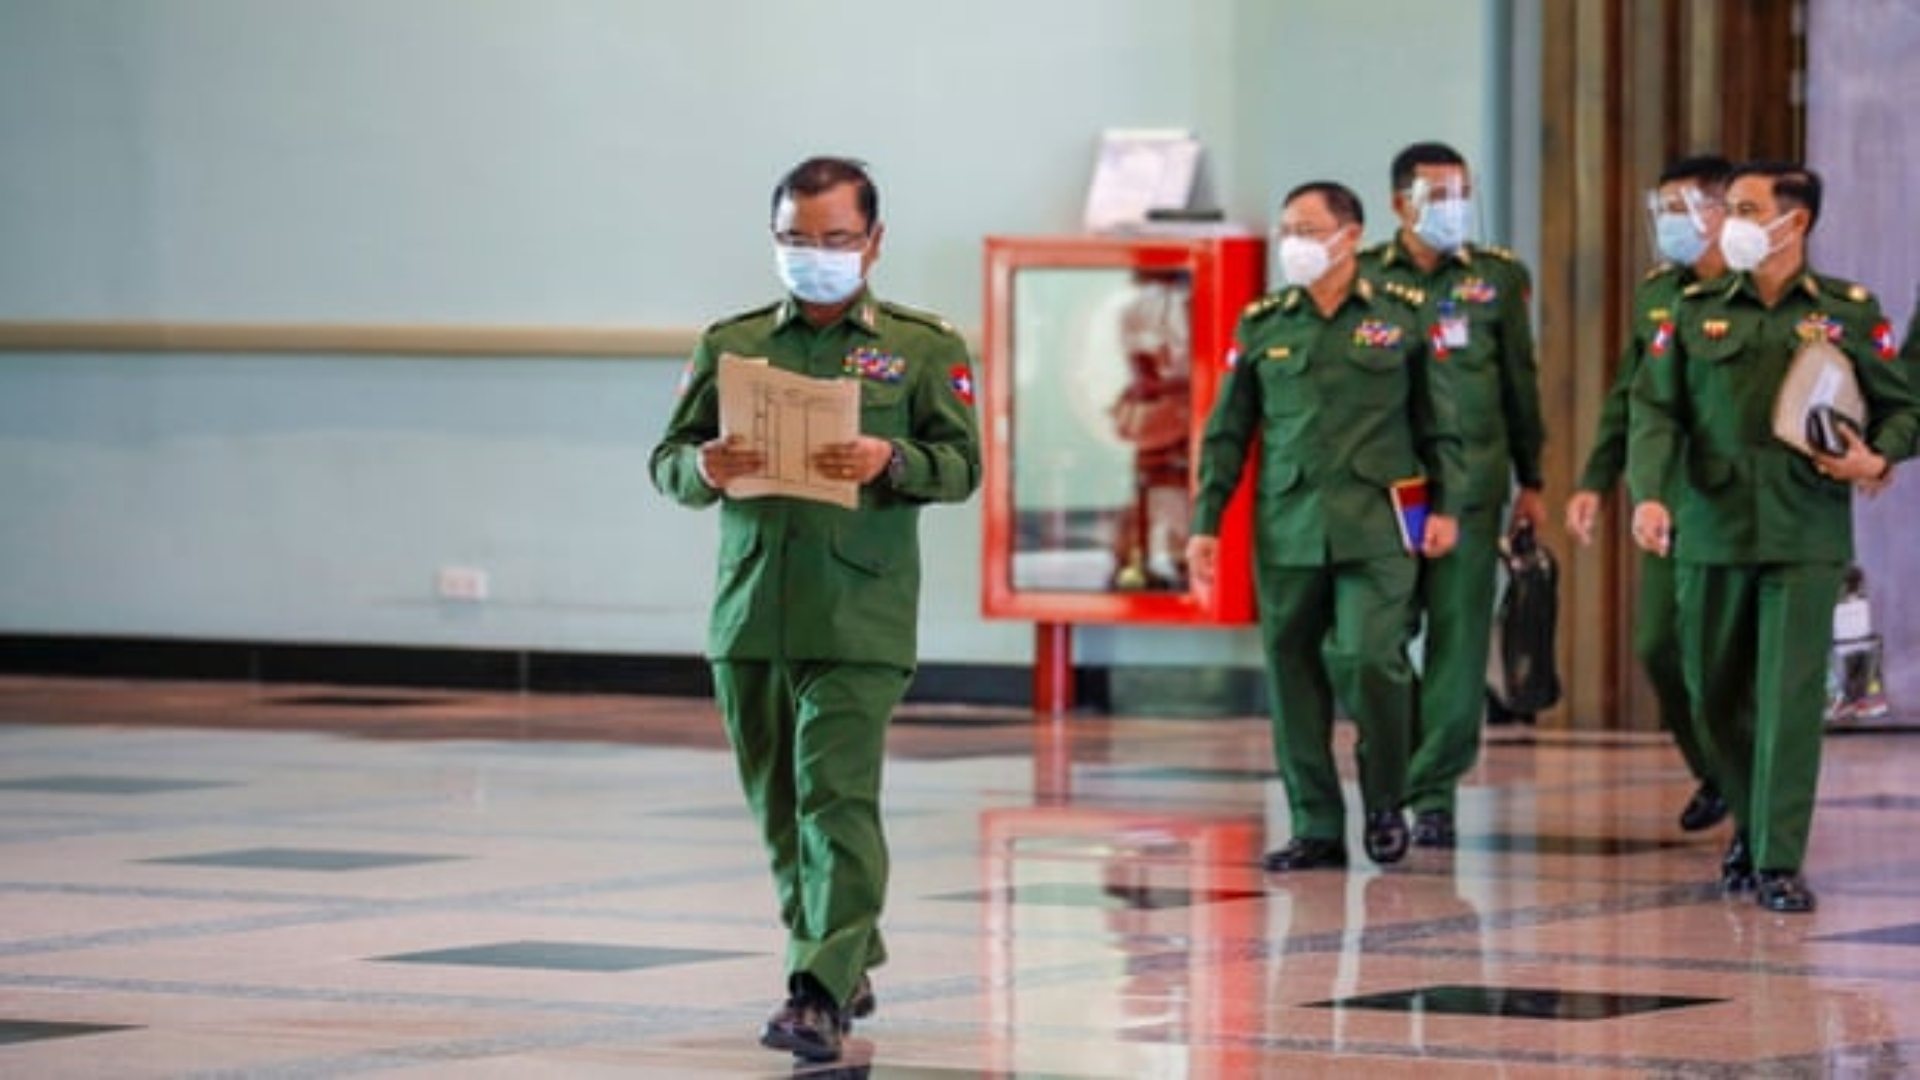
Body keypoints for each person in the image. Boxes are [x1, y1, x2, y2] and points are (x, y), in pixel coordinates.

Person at [649, 156, 982, 1060]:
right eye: (797, 239)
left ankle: (816, 991)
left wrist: (891, 460)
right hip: (752, 609)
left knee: (834, 799)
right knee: (778, 809)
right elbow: (667, 461)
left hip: (859, 614)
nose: (817, 255)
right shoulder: (732, 345)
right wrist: (702, 468)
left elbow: (964, 467)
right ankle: (846, 951)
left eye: (836, 239)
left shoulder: (922, 346)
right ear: (774, 238)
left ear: (873, 242)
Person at [1628, 161, 1920, 913]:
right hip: (1710, 528)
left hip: (1804, 531)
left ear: (1796, 222)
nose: (1728, 221)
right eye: (1729, 208)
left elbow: (1901, 407)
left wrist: (1878, 456)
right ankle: (1751, 823)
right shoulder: (1690, 309)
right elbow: (1655, 409)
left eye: (1748, 209)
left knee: (1789, 699)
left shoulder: (1847, 311)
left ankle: (1777, 860)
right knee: (1713, 695)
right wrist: (1650, 493)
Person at [1187, 180, 1464, 873]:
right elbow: (1227, 432)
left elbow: (1441, 422)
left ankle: (1386, 800)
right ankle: (1315, 823)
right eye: (1287, 231)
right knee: (1292, 676)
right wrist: (1206, 520)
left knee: (1372, 658)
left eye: (1308, 230)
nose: (1294, 244)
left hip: (1379, 524)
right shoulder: (1264, 323)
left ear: (1350, 236)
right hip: (1289, 524)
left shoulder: (1401, 316)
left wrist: (1448, 507)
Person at [1358, 142, 1546, 848]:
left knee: (1458, 644)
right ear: (1400, 204)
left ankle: (1434, 792)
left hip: (1471, 487)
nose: (1455, 208)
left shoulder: (1496, 278)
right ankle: (1406, 755)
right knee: (1370, 641)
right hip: (1386, 491)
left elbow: (1519, 383)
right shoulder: (1365, 278)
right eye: (1439, 195)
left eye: (1463, 193)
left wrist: (1533, 480)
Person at [1565, 154, 1733, 834]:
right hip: (1669, 493)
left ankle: (1748, 791)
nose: (1667, 224)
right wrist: (1596, 481)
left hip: (1739, 499)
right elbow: (1631, 396)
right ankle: (1717, 771)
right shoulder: (1658, 295)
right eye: (1660, 210)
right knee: (1659, 642)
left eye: (1679, 209)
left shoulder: (1757, 290)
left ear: (1721, 212)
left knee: (1726, 654)